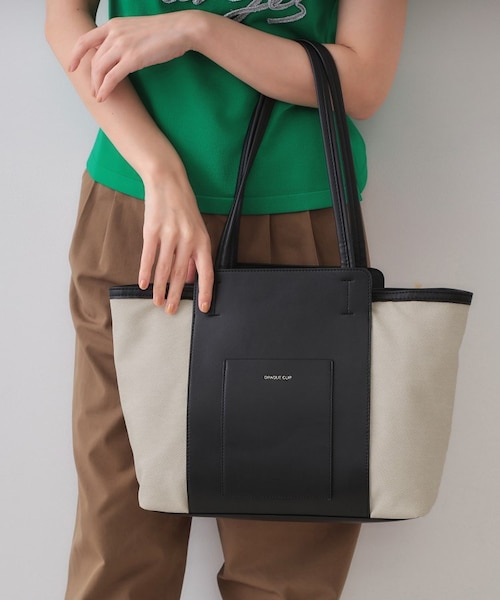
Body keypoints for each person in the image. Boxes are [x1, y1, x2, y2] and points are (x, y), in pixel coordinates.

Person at [45, 1, 407, 598]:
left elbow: (363, 81)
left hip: (296, 223)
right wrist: (158, 169)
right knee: (120, 529)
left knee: (284, 552)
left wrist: (198, 30)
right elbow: (66, 19)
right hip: (140, 214)